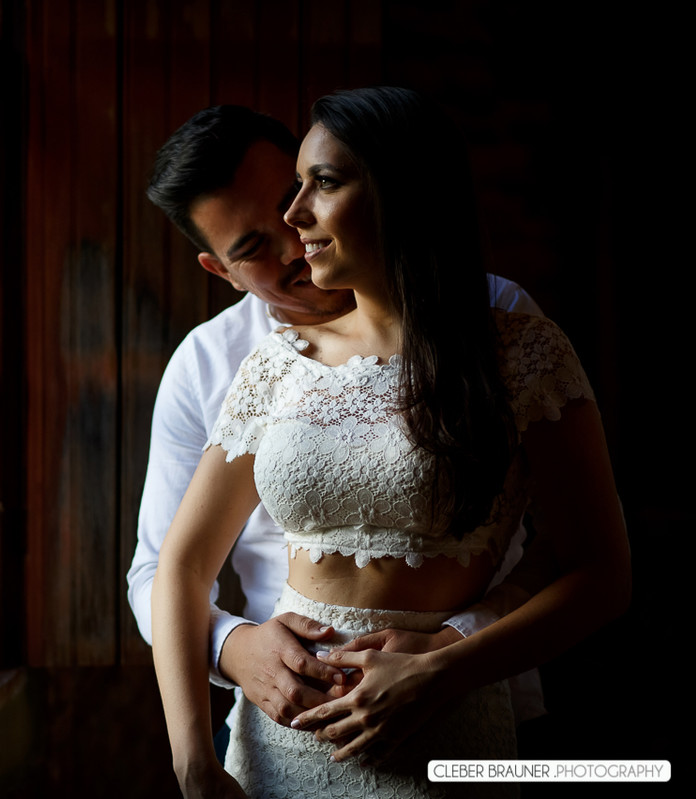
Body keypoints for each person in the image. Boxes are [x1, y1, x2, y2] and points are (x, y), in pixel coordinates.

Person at [149, 87, 630, 798]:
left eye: (319, 184)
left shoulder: (515, 345)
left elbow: (598, 569)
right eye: (255, 244)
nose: (293, 219)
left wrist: (449, 659)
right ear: (219, 269)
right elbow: (174, 564)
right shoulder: (265, 363)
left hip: (447, 728)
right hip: (275, 743)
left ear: (402, 192)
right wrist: (194, 762)